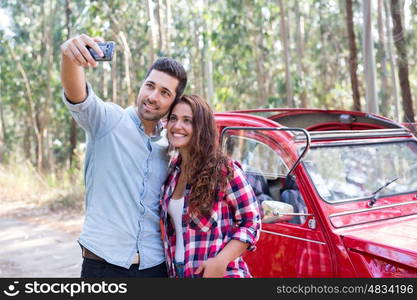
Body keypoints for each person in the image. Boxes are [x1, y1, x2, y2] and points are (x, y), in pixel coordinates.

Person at [60, 34, 187, 277]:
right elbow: (77, 95)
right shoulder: (107, 121)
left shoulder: (169, 146)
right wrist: (70, 57)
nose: (153, 96)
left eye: (164, 92)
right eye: (150, 86)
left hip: (155, 267)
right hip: (104, 265)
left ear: (173, 102)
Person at [160, 94, 261, 278]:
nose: (177, 126)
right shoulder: (172, 173)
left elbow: (251, 222)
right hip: (179, 271)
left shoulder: (224, 170)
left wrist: (221, 260)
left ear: (201, 127)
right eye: (173, 118)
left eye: (187, 120)